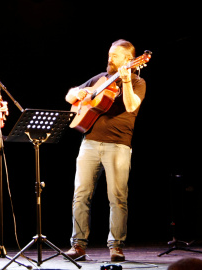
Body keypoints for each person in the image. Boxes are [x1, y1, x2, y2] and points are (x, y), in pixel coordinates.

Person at [64, 39, 146, 262]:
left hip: (118, 145)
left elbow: (131, 106)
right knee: (80, 195)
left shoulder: (138, 82)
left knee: (117, 197)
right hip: (89, 142)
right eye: (109, 54)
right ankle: (78, 246)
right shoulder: (100, 78)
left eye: (115, 56)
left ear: (129, 60)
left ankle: (116, 246)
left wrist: (126, 82)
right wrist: (80, 94)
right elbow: (69, 96)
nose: (110, 58)